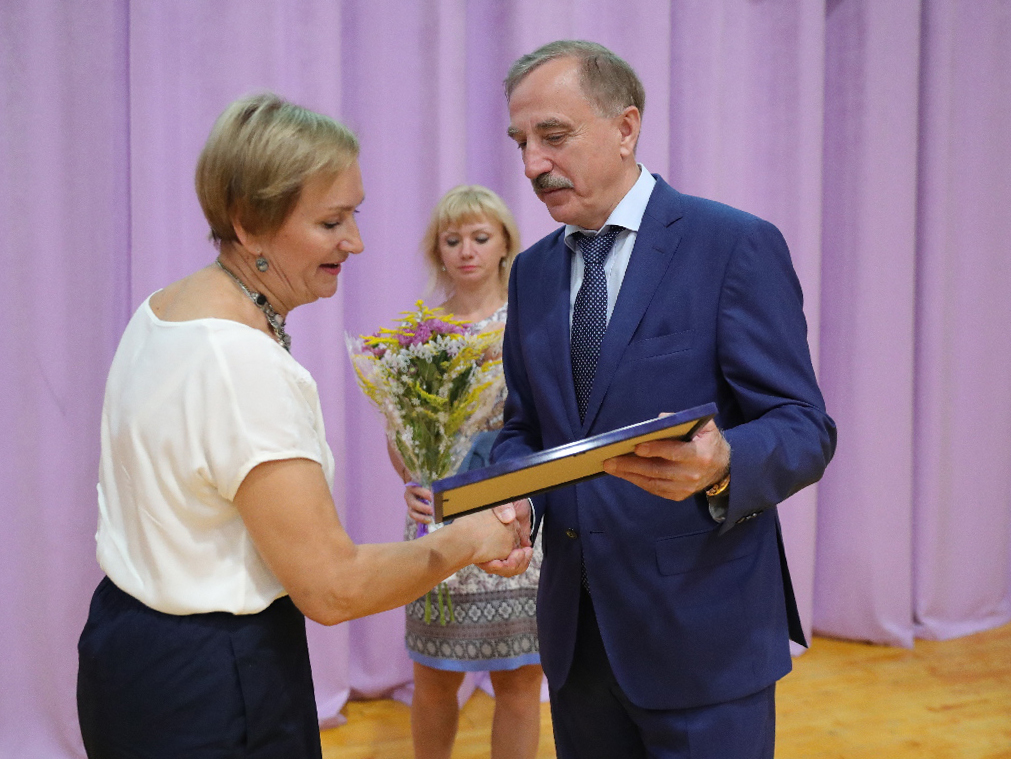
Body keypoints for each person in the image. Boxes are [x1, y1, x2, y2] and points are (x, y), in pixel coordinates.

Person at [76, 93, 531, 759]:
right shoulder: (240, 363)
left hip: (126, 652)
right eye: (331, 221)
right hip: (213, 683)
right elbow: (333, 586)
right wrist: (472, 535)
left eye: (354, 215)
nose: (356, 241)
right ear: (248, 223)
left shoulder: (163, 310)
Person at [488, 40, 838, 758]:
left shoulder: (732, 244)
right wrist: (515, 497)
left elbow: (804, 426)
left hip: (704, 639)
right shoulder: (529, 273)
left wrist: (724, 461)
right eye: (521, 142)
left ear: (625, 128)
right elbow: (526, 427)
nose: (531, 165)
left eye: (553, 136)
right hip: (579, 645)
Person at [386, 185, 544, 759]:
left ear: (505, 244)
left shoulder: (532, 322)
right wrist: (413, 481)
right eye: (452, 240)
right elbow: (400, 436)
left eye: (480, 237)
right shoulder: (419, 335)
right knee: (432, 680)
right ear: (438, 250)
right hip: (439, 525)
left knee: (520, 682)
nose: (467, 251)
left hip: (516, 522)